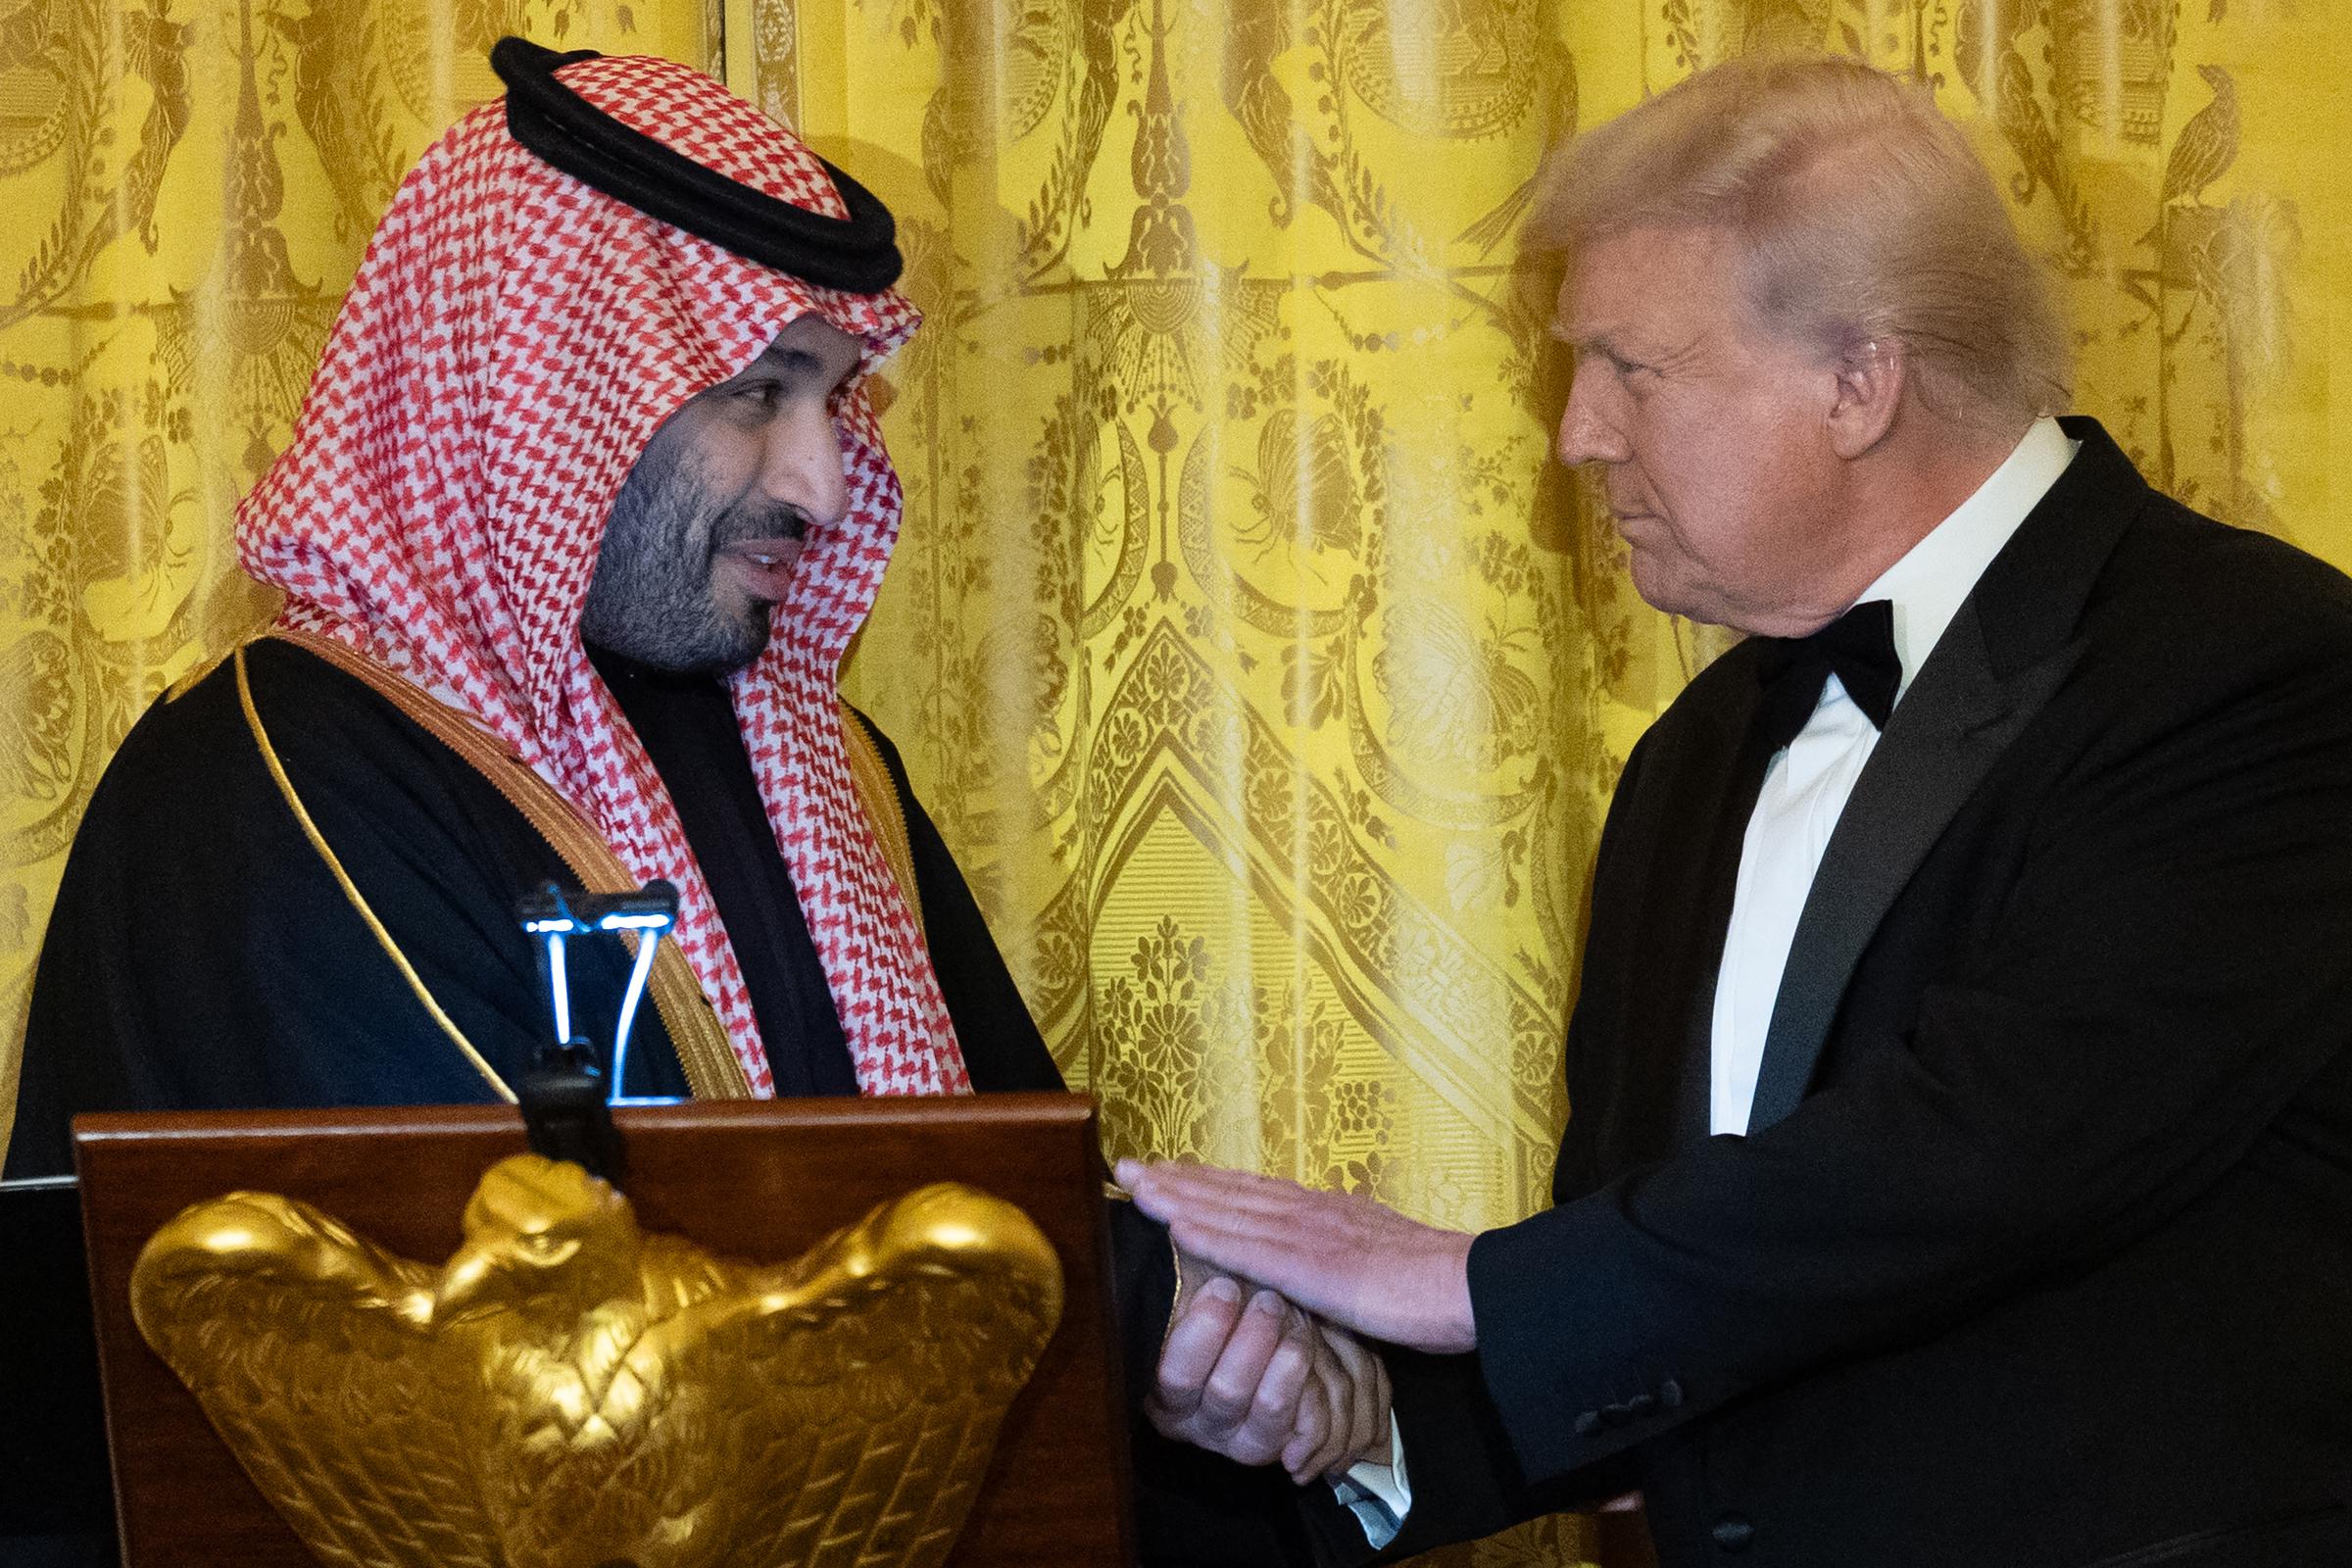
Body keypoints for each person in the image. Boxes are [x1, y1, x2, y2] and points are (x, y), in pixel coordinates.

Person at [1, 38, 1389, 1561]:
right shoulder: (256, 785)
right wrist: (1148, 1310)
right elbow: (558, 1291)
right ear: (544, 381)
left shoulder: (822, 769)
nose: (823, 484)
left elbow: (1010, 1192)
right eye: (756, 393)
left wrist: (1226, 1356)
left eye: (838, 400)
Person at [1122, 52, 2352, 1568]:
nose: (1576, 433)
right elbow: (1688, 1279)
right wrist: (1359, 1425)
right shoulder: (1698, 752)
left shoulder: (2264, 666)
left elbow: (1994, 1148)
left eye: (1630, 367)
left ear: (1857, 379)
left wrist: (1470, 1286)